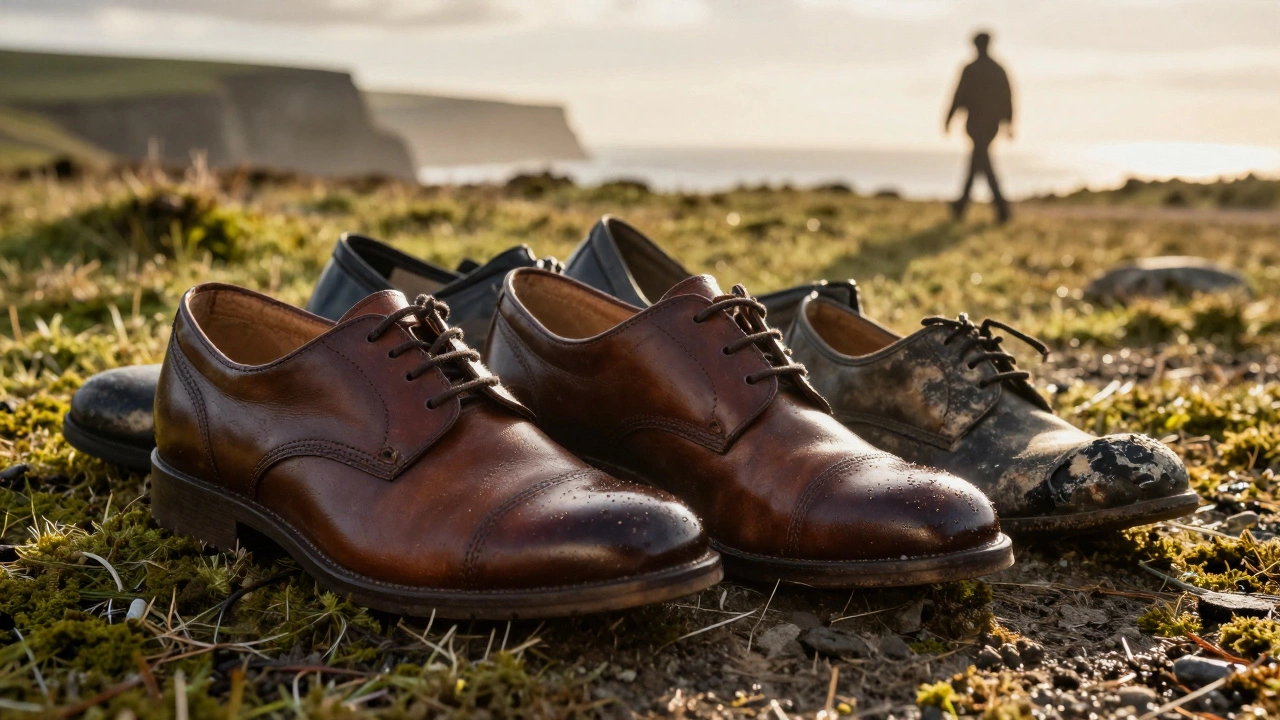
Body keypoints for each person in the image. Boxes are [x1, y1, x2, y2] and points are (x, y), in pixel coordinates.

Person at [945, 31, 1014, 223]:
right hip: (988, 124)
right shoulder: (995, 69)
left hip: (979, 124)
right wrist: (1008, 122)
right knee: (979, 162)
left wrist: (949, 119)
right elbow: (1007, 97)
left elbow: (958, 96)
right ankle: (994, 208)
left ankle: (999, 209)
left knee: (981, 162)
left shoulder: (974, 69)